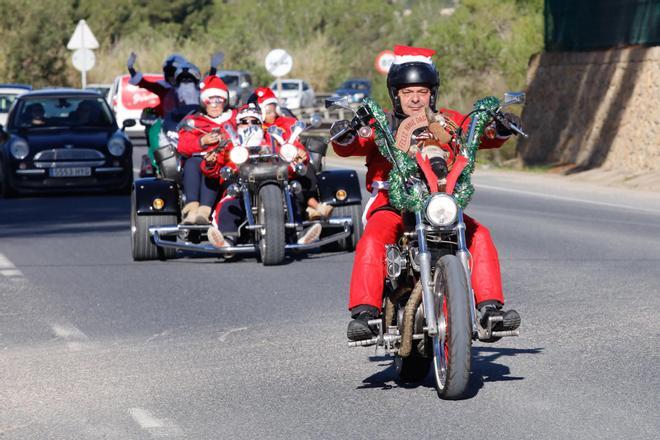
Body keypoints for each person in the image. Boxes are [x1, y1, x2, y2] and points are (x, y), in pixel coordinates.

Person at [330, 45, 522, 342]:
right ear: (396, 94)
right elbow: (351, 144)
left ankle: (490, 310)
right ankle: (365, 314)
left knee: (479, 234)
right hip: (393, 205)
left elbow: (477, 131)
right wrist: (346, 133)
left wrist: (499, 127)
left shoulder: (447, 121)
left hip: (439, 202)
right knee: (373, 237)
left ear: (433, 93)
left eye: (422, 91)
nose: (416, 98)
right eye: (408, 92)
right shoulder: (380, 123)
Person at [203, 104, 323, 248]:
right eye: (244, 121)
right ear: (238, 124)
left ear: (261, 123)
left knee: (290, 198)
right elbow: (213, 167)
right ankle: (227, 239)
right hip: (239, 182)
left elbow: (289, 154)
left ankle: (298, 236)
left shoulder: (273, 138)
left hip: (272, 180)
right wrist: (210, 162)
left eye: (254, 121)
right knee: (229, 203)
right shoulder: (229, 141)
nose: (249, 125)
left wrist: (299, 156)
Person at [249, 87, 334, 220]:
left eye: (274, 110)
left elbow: (294, 142)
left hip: (287, 167)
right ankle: (314, 206)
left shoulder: (286, 123)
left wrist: (300, 152)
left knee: (305, 170)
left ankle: (309, 208)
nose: (273, 114)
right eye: (268, 111)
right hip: (260, 168)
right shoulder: (251, 126)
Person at [177, 75, 236, 225]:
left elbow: (251, 127)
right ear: (203, 102)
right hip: (200, 160)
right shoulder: (195, 120)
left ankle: (205, 211)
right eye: (210, 101)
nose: (214, 105)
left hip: (229, 161)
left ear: (225, 102)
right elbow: (182, 145)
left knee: (212, 165)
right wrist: (202, 141)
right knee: (192, 163)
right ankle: (192, 210)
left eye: (219, 100)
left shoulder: (235, 117)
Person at [127, 52, 186, 118]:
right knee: (147, 111)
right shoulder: (163, 87)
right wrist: (131, 69)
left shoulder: (190, 88)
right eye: (170, 75)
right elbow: (143, 83)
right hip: (166, 122)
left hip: (187, 122)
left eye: (174, 75)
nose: (172, 79)